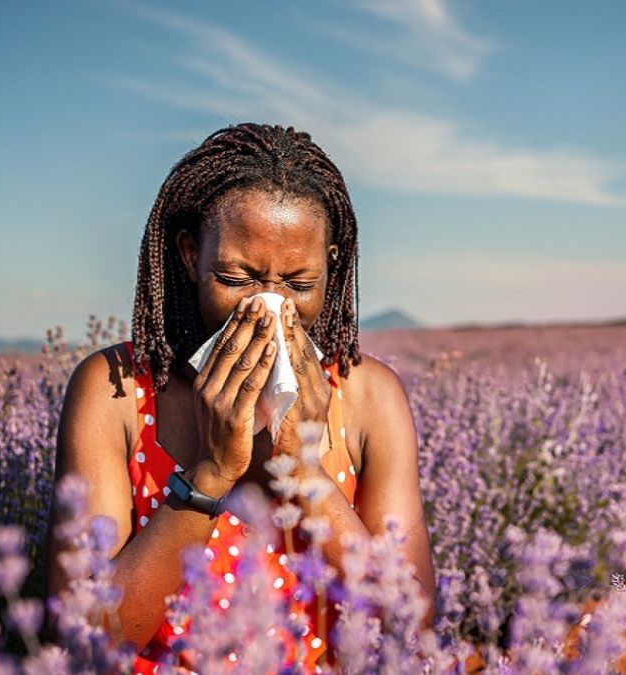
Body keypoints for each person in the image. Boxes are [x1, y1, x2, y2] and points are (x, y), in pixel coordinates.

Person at [47, 123, 436, 672]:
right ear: (189, 255)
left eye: (299, 285)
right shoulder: (117, 390)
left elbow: (409, 626)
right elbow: (83, 638)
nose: (267, 308)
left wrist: (303, 473)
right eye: (237, 277)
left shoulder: (369, 395)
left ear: (331, 264)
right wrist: (211, 473)